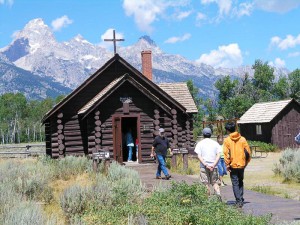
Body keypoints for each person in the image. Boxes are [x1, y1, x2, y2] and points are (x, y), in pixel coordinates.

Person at [223, 122, 251, 208]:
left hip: (232, 164)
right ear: (235, 129)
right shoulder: (242, 139)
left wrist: (227, 164)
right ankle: (241, 198)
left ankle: (238, 201)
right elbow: (248, 152)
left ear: (228, 130)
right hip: (242, 164)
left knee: (235, 183)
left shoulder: (227, 140)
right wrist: (246, 162)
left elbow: (225, 153)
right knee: (240, 181)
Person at [194, 127, 221, 198]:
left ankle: (208, 198)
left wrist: (206, 165)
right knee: (215, 182)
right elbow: (218, 155)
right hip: (214, 166)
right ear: (210, 134)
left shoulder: (200, 143)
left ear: (203, 134)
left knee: (205, 183)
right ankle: (218, 194)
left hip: (204, 166)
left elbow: (199, 156)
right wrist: (213, 165)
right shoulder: (215, 143)